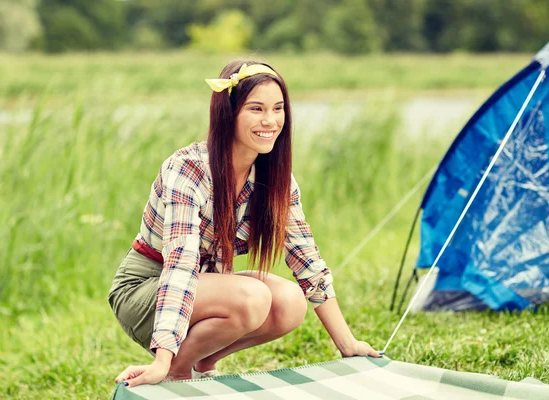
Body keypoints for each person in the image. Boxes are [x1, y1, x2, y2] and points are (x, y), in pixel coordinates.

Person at [109, 60, 381, 388]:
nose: (270, 121)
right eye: (256, 109)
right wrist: (162, 358)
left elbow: (307, 261)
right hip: (148, 287)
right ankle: (175, 372)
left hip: (205, 284)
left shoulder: (276, 179)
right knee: (252, 297)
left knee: (290, 303)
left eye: (278, 109)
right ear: (229, 113)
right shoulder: (188, 169)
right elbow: (179, 266)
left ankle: (203, 361)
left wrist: (347, 344)